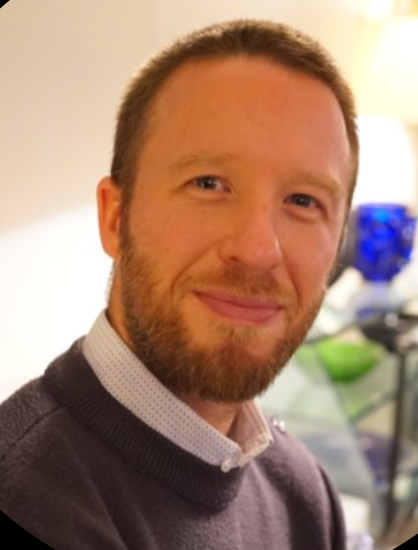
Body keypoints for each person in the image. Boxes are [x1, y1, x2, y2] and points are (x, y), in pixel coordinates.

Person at [0, 19, 358, 549]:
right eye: (209, 183)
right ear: (115, 218)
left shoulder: (303, 492)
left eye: (304, 201)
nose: (258, 251)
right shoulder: (28, 499)